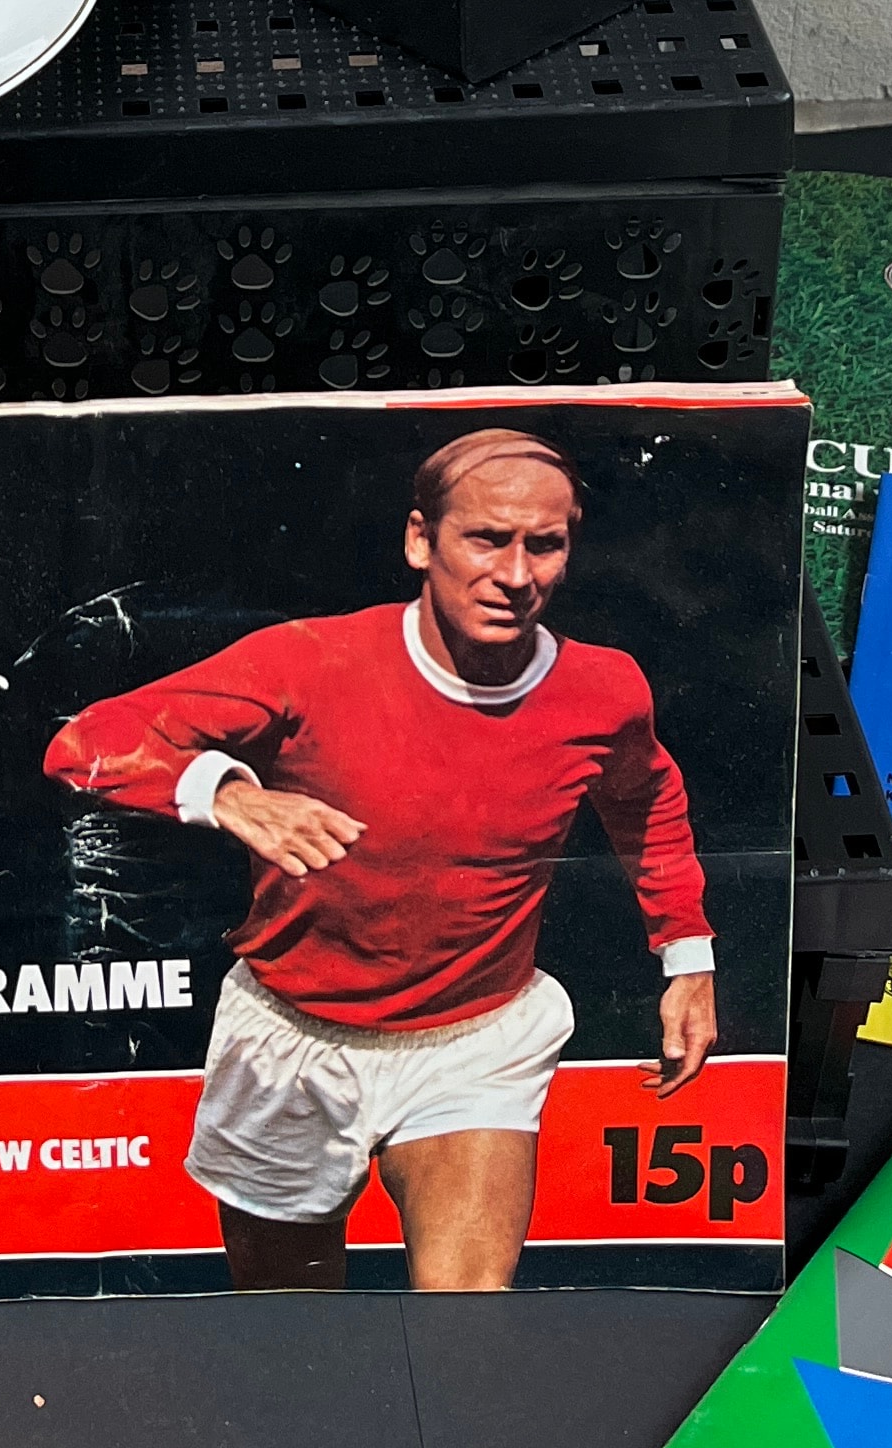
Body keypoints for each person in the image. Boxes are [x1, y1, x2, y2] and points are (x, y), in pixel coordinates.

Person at [43, 427, 714, 1294]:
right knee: (291, 1333)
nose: (515, 575)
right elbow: (84, 743)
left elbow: (647, 802)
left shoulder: (604, 689)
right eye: (486, 539)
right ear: (420, 540)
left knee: (463, 1327)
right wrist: (230, 794)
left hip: (475, 1044)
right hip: (291, 1042)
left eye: (543, 545)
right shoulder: (309, 661)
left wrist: (687, 956)